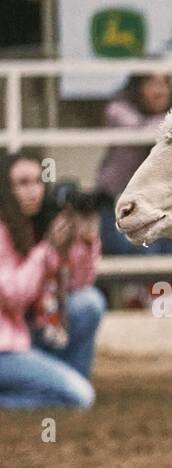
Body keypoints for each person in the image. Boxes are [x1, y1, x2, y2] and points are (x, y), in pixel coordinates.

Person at [0, 151, 104, 409]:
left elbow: (77, 285)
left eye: (38, 182)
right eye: (23, 183)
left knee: (89, 302)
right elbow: (14, 296)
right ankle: (70, 392)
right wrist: (48, 249)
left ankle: (69, 386)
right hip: (5, 347)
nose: (34, 191)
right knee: (80, 396)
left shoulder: (31, 226)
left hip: (24, 334)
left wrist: (86, 240)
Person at [95, 72, 172, 256]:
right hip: (118, 203)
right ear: (137, 87)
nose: (159, 91)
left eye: (164, 84)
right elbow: (144, 133)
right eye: (152, 83)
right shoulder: (118, 111)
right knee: (144, 252)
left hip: (163, 205)